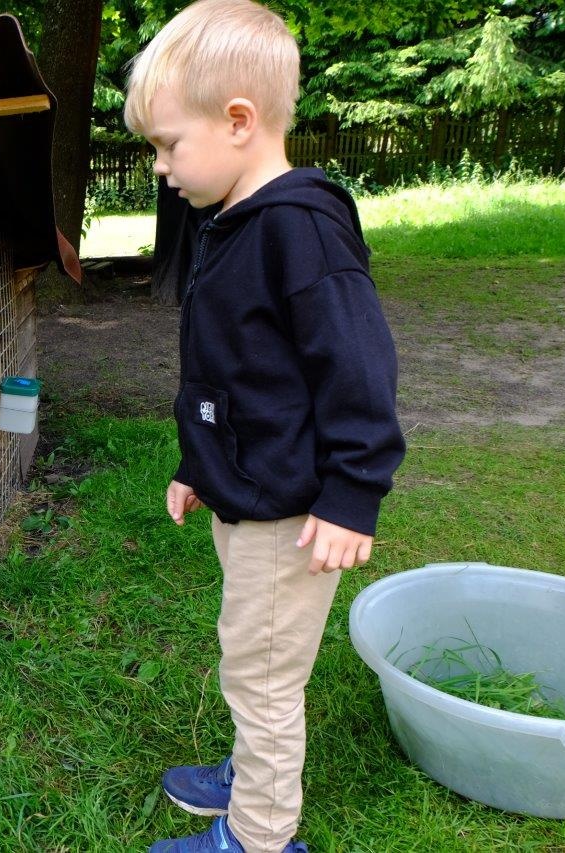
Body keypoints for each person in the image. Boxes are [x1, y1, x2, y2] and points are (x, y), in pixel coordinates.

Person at [122, 1, 407, 851]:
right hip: (246, 495)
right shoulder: (232, 223)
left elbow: (359, 368)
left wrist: (353, 493)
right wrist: (198, 464)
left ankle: (259, 835)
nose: (161, 166)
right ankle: (253, 773)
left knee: (263, 676)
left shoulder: (299, 229)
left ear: (238, 120)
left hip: (292, 515)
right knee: (251, 655)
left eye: (169, 144)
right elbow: (236, 373)